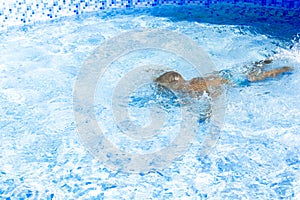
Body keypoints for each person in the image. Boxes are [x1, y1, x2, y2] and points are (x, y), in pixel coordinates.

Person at [154, 59, 293, 97]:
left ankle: (287, 67)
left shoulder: (191, 89)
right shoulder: (187, 82)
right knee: (252, 67)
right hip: (223, 74)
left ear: (174, 85)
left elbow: (213, 94)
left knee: (258, 77)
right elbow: (166, 76)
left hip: (231, 81)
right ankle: (266, 61)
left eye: (164, 87)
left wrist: (208, 114)